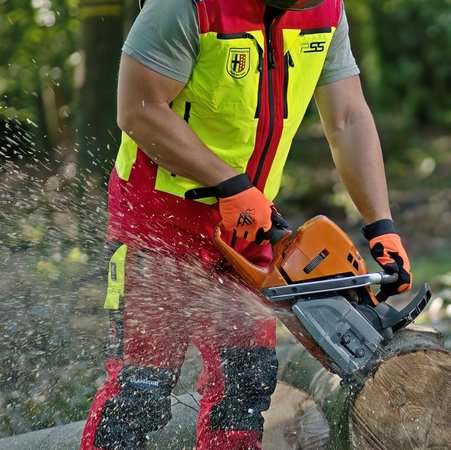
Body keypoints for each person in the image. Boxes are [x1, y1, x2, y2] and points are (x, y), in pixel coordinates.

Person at [80, 0, 412, 448]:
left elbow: (348, 117)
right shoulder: (188, 6)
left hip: (249, 221)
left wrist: (381, 225)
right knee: (139, 392)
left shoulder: (327, 12)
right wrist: (229, 185)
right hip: (159, 219)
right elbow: (139, 110)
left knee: (245, 384)